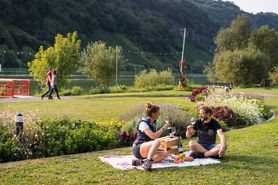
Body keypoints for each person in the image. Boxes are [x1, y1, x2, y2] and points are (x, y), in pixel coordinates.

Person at [132, 102, 170, 171]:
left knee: (166, 153)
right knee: (157, 141)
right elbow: (153, 136)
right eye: (158, 113)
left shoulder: (153, 122)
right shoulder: (143, 123)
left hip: (147, 148)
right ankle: (148, 163)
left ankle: (141, 162)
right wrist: (164, 128)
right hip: (138, 148)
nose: (159, 114)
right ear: (153, 114)